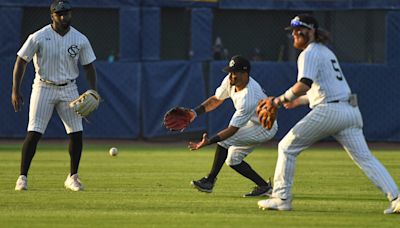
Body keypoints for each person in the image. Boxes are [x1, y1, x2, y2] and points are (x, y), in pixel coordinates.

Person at [257, 14, 400, 214]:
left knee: (287, 147)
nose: (295, 34)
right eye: (293, 31)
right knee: (365, 159)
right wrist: (299, 101)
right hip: (349, 111)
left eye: (299, 30)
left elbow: (303, 84)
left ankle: (281, 197)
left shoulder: (309, 53)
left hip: (330, 111)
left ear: (311, 31)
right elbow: (323, 88)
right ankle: (397, 198)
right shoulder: (325, 52)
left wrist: (278, 101)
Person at [12, 0, 98, 191]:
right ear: (52, 16)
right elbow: (21, 61)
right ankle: (22, 177)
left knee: (76, 134)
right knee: (34, 133)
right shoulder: (38, 37)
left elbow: (89, 66)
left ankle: (72, 177)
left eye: (66, 13)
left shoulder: (80, 39)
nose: (63, 16)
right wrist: (15, 90)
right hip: (43, 87)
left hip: (69, 89)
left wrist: (93, 90)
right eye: (59, 14)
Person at [188, 55, 277, 197]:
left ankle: (209, 181)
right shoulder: (230, 81)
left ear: (245, 74)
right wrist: (195, 112)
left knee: (224, 141)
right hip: (251, 123)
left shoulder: (249, 97)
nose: (231, 76)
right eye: (230, 71)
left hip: (264, 128)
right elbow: (217, 99)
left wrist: (208, 142)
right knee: (233, 160)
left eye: (235, 72)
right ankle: (264, 187)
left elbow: (232, 131)